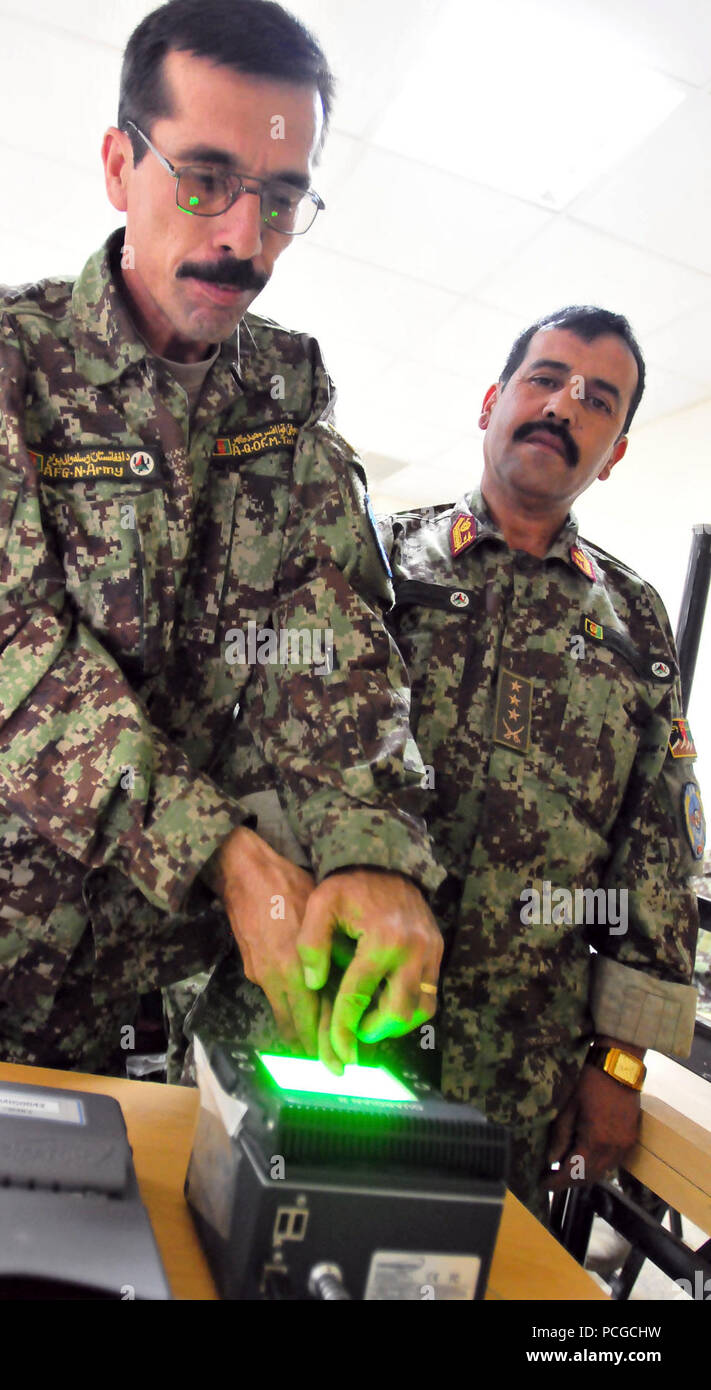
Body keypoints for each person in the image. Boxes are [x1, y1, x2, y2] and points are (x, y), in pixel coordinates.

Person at [0, 0, 442, 1074]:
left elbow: (332, 639)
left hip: (111, 987)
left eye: (280, 198)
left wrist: (371, 847)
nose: (242, 239)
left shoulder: (285, 398)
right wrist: (215, 848)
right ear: (121, 164)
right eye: (204, 180)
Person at [380, 306, 702, 1215]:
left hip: (515, 1068)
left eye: (598, 401)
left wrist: (620, 1057)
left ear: (615, 452)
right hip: (342, 1018)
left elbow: (660, 854)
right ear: (491, 402)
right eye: (546, 379)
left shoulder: (635, 623)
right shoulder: (375, 564)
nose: (566, 405)